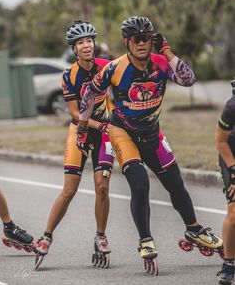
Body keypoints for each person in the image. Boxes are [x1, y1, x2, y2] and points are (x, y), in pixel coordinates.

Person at [77, 16, 223, 273]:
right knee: (140, 184)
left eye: (147, 38)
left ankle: (194, 230)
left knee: (176, 183)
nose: (142, 43)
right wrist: (82, 125)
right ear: (127, 42)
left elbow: (189, 80)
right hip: (123, 133)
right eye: (136, 39)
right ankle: (145, 239)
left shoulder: (161, 63)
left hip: (152, 133)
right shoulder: (114, 68)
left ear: (153, 40)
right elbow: (90, 93)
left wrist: (167, 51)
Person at [34, 20, 115, 269]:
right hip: (80, 131)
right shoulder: (69, 75)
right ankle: (46, 237)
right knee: (69, 190)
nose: (86, 45)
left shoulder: (107, 67)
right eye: (81, 42)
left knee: (102, 186)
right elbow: (73, 113)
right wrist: (97, 125)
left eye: (89, 40)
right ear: (74, 48)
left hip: (105, 133)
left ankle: (100, 236)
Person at [215, 81, 235, 285]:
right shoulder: (232, 106)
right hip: (231, 153)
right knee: (234, 211)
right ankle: (229, 264)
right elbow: (220, 140)